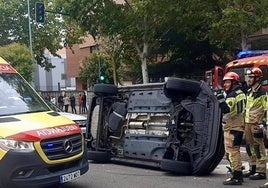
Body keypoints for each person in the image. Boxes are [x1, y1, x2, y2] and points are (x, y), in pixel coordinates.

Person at [217, 72, 246, 185]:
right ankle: (238, 174)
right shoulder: (241, 92)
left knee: (232, 152)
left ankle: (236, 176)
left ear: (234, 82)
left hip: (232, 126)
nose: (225, 84)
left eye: (228, 82)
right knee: (236, 151)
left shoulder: (232, 95)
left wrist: (219, 98)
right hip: (239, 125)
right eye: (224, 82)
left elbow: (226, 109)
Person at [242, 68, 267, 182]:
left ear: (257, 78)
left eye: (251, 77)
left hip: (256, 123)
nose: (249, 79)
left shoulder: (262, 92)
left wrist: (264, 123)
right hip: (248, 122)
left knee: (258, 147)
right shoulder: (249, 91)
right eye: (249, 77)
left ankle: (261, 171)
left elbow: (266, 108)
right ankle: (253, 168)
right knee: (249, 147)